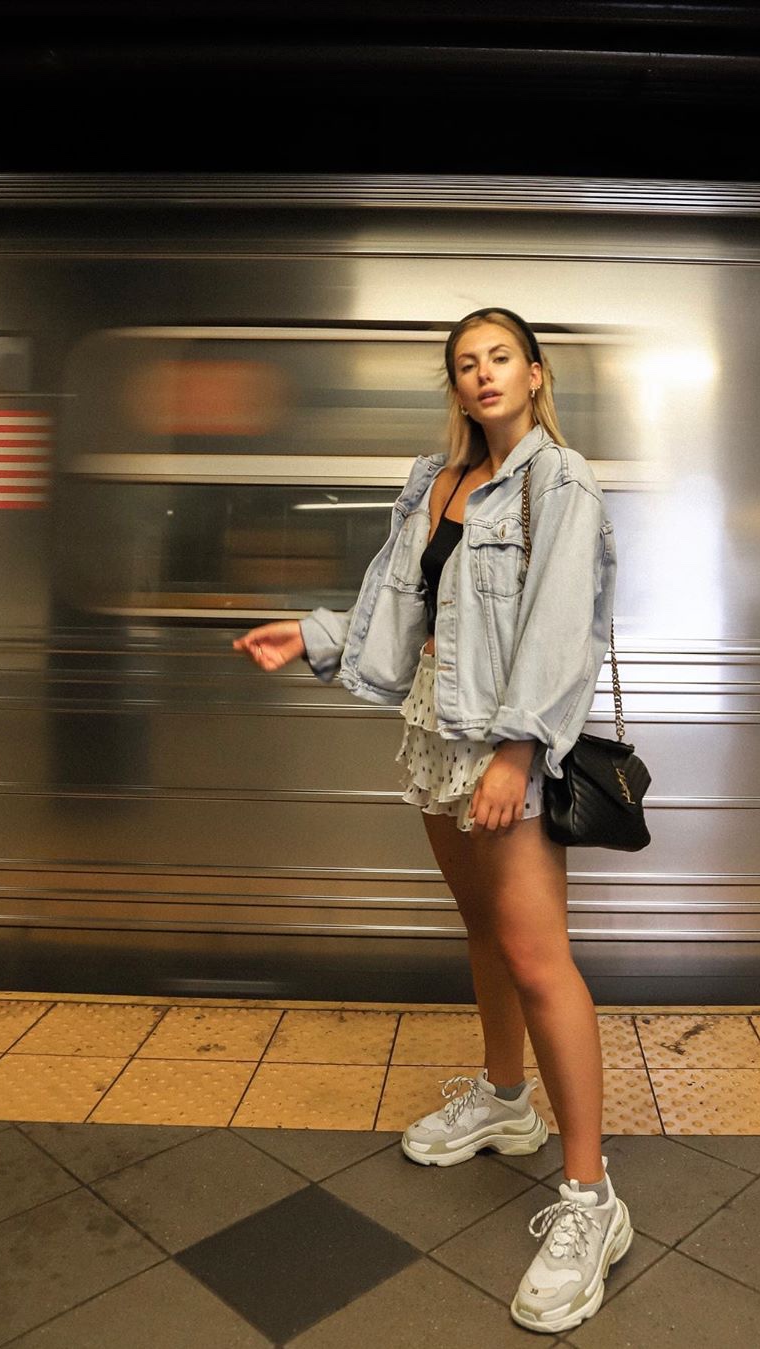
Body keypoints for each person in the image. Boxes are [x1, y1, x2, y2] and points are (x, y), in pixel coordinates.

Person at [234, 307, 631, 1333]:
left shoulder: (559, 482)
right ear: (455, 387)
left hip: (504, 740)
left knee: (539, 956)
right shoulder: (438, 480)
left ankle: (592, 1197)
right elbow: (399, 603)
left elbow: (562, 628)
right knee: (485, 929)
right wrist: (315, 633)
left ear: (536, 375)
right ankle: (506, 1099)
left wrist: (516, 752)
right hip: (434, 725)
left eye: (500, 357)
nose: (482, 373)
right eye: (465, 363)